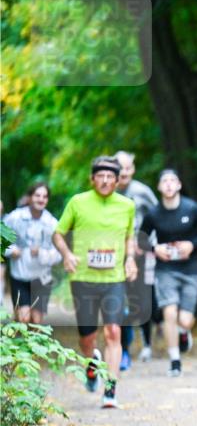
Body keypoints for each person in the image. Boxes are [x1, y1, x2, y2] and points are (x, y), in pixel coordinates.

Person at [52, 155, 138, 409]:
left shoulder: (127, 205)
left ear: (117, 180)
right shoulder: (78, 202)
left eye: (110, 177)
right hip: (83, 278)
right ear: (92, 179)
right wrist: (66, 254)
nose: (105, 180)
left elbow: (129, 238)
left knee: (113, 332)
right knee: (86, 339)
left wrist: (130, 259)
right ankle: (91, 363)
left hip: (113, 279)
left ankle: (110, 390)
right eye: (100, 176)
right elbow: (58, 234)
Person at [140, 169, 197, 376]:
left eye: (173, 181)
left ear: (179, 185)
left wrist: (192, 244)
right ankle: (175, 361)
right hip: (165, 270)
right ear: (159, 187)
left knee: (185, 320)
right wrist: (156, 249)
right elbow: (141, 239)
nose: (169, 185)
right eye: (165, 181)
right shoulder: (153, 214)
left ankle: (183, 333)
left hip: (190, 269)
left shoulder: (192, 209)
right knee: (169, 313)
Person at [115, 150, 159, 368]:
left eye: (128, 168)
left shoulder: (142, 192)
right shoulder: (108, 191)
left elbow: (158, 216)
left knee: (143, 300)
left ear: (133, 169)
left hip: (142, 254)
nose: (124, 172)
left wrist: (148, 245)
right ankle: (123, 349)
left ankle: (147, 343)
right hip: (116, 255)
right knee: (119, 300)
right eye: (120, 167)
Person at [3, 182, 61, 324]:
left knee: (36, 322)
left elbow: (59, 253)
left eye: (45, 196)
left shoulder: (52, 223)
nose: (41, 199)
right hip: (20, 276)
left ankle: (31, 345)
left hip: (41, 279)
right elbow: (1, 240)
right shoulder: (15, 217)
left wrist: (41, 253)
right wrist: (11, 251)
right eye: (37, 195)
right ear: (29, 198)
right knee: (24, 318)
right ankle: (19, 343)